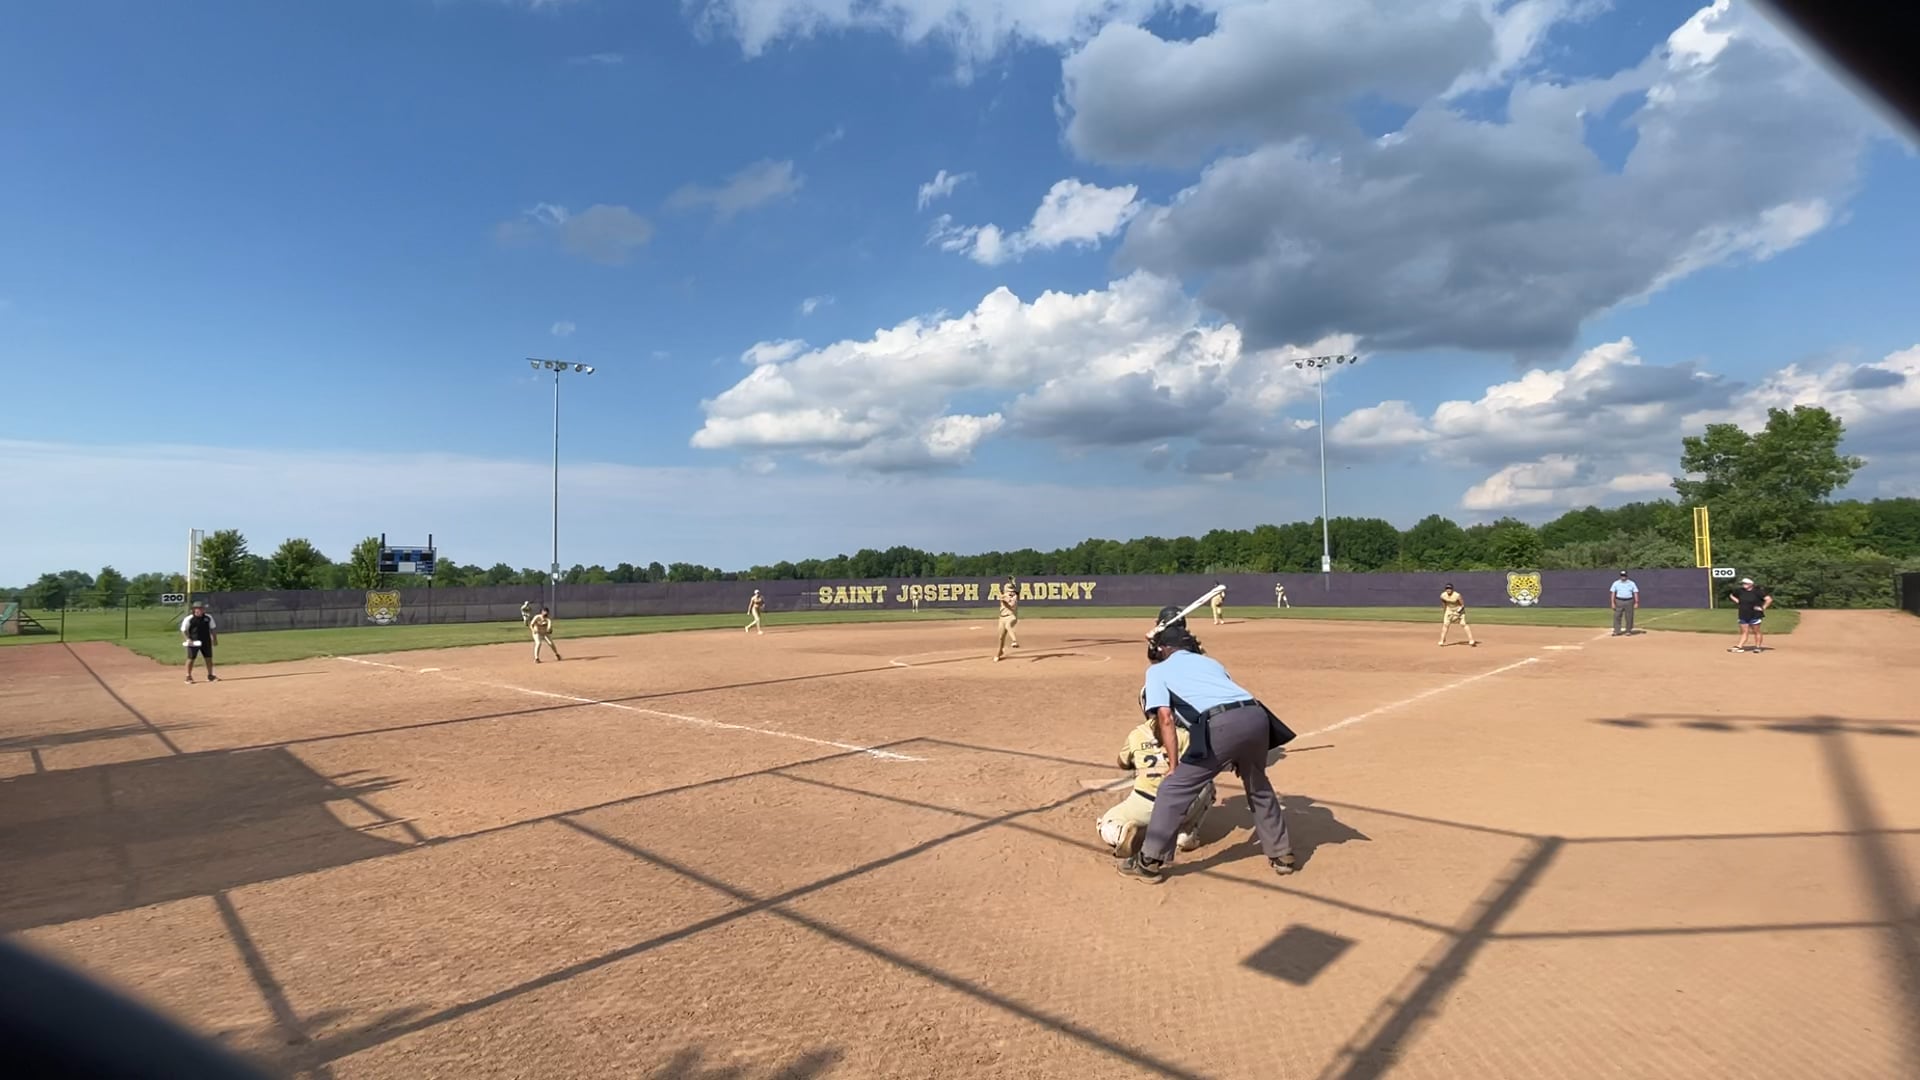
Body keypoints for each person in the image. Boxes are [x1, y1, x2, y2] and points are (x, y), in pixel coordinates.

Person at [1117, 606, 1297, 883]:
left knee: (1173, 789)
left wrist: (1174, 765)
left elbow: (1165, 718)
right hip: (1257, 716)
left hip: (1223, 724)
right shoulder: (1212, 663)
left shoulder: (1157, 671)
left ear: (1164, 649)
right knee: (1258, 786)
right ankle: (1282, 854)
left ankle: (1149, 861)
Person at [1098, 703, 1216, 859]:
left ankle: (1120, 834)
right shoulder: (1183, 735)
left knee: (1106, 822)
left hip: (1143, 802)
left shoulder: (1136, 734)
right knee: (1207, 783)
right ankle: (1186, 834)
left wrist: (1140, 760)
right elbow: (1197, 767)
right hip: (1177, 804)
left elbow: (1122, 762)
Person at [1728, 577, 1773, 653]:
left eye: (1745, 583)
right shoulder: (1740, 591)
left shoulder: (1758, 591)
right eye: (1743, 583)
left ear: (1751, 584)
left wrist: (1763, 608)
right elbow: (1731, 595)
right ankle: (1739, 646)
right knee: (1744, 631)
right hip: (1743, 614)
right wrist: (1738, 601)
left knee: (1756, 631)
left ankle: (1758, 647)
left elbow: (1769, 599)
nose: (1743, 585)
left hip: (1755, 614)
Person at [180, 601, 218, 683]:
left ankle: (210, 675)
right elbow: (183, 630)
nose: (200, 610)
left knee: (208, 658)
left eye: (202, 608)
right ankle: (188, 676)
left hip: (206, 641)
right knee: (191, 658)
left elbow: (213, 629)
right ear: (194, 609)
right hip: (193, 642)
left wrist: (214, 639)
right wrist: (188, 639)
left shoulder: (208, 617)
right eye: (198, 608)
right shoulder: (189, 619)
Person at [1438, 583, 1477, 647]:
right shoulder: (1443, 595)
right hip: (1449, 610)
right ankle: (1442, 640)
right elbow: (1444, 603)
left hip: (1459, 610)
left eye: (1450, 588)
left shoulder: (1457, 595)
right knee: (1445, 624)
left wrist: (1457, 613)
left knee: (1463, 624)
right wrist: (1445, 612)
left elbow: (1462, 605)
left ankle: (1471, 640)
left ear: (1452, 589)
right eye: (1447, 588)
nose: (1448, 590)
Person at [994, 578, 1020, 661]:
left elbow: (1011, 607)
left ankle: (1014, 641)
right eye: (1009, 590)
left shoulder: (1014, 597)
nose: (1011, 592)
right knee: (1001, 637)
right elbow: (1003, 598)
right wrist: (1002, 599)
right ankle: (999, 652)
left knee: (1008, 625)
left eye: (1012, 590)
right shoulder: (1004, 596)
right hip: (1002, 618)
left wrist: (1004, 602)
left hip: (1011, 616)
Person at [1609, 571, 1640, 636]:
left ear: (1626, 576)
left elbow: (1635, 592)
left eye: (1624, 575)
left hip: (1629, 601)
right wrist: (1612, 602)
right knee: (1617, 616)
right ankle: (1617, 630)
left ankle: (1628, 630)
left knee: (1629, 616)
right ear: (1620, 576)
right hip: (1619, 600)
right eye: (1622, 575)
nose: (1623, 577)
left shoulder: (1631, 583)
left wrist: (1636, 602)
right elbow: (1613, 593)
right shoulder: (1616, 583)